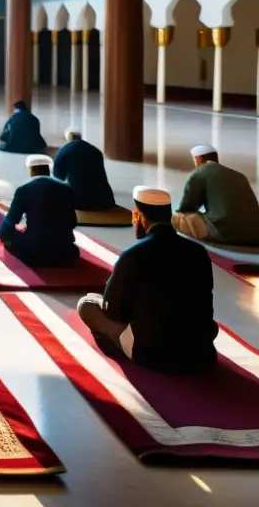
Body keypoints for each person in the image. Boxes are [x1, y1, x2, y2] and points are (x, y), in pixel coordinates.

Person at [77, 187, 217, 375]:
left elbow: (114, 311)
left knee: (86, 304)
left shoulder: (133, 256)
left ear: (140, 217)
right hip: (200, 354)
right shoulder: (198, 252)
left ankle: (121, 345)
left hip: (152, 354)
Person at [0, 155, 79, 267]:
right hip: (65, 253)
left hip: (34, 254)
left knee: (10, 236)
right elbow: (72, 222)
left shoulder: (23, 190)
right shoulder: (67, 189)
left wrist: (2, 234)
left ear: (31, 170)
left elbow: (11, 221)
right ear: (49, 170)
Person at [172, 145, 259, 245]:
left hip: (225, 233)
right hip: (254, 234)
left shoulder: (199, 173)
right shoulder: (239, 176)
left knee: (177, 218)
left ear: (198, 159)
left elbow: (186, 207)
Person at [53, 129, 116, 212]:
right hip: (105, 200)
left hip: (80, 202)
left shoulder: (64, 150)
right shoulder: (95, 150)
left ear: (68, 138)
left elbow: (58, 176)